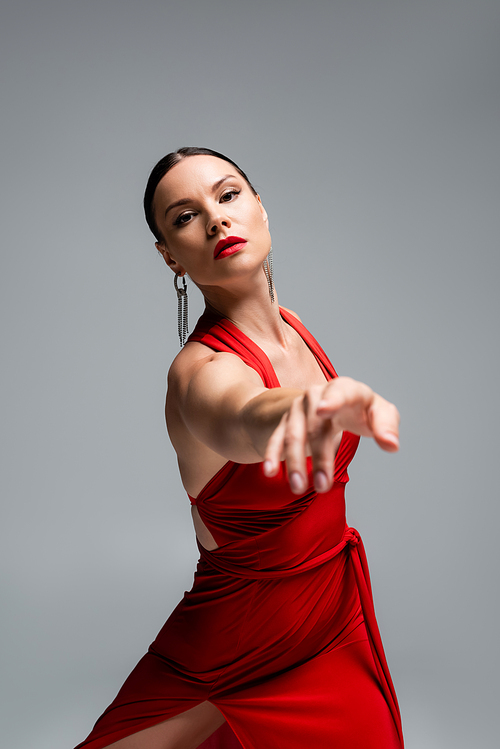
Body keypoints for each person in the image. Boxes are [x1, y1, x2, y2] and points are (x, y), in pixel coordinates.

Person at [75, 147, 403, 749]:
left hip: (329, 620)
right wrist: (301, 412)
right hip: (230, 642)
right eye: (184, 216)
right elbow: (243, 415)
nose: (216, 220)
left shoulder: (297, 326)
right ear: (170, 256)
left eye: (228, 196)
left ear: (261, 209)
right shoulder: (197, 372)